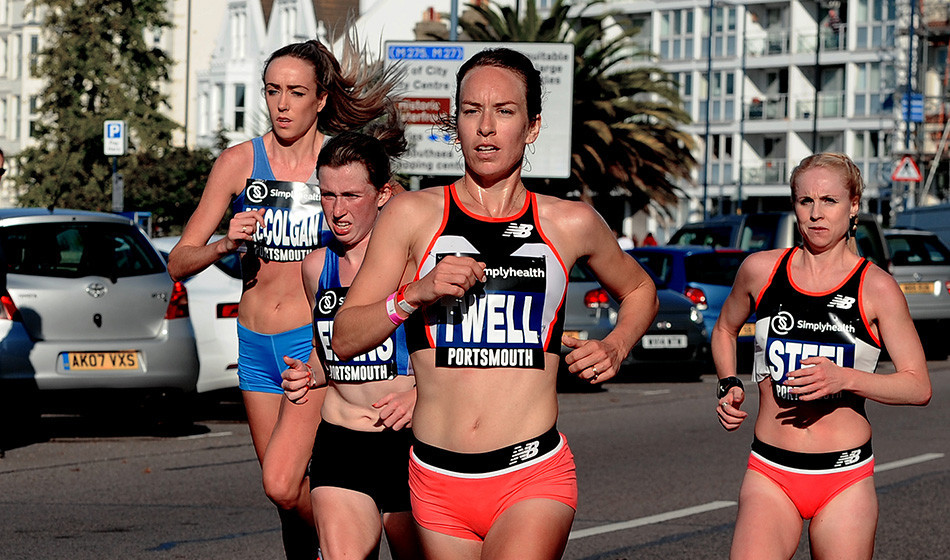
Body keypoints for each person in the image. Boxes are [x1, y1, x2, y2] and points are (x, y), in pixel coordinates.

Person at [329, 48, 659, 559]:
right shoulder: (411, 214)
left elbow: (639, 290)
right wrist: (414, 293)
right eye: (471, 111)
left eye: (504, 111)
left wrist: (616, 345)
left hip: (531, 474)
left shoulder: (569, 222)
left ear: (532, 126)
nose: (485, 127)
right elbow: (345, 337)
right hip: (437, 479)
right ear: (455, 123)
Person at [167, 38, 399, 560]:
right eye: (273, 91)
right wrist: (225, 243)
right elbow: (178, 261)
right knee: (286, 500)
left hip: (311, 343)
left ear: (321, 99)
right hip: (254, 344)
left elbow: (404, 219)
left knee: (284, 482)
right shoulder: (238, 162)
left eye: (296, 92)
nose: (282, 104)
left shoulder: (341, 162)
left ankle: (353, 536)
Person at [713, 153, 932, 560]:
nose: (816, 213)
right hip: (770, 472)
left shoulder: (877, 287)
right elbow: (725, 329)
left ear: (853, 205)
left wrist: (845, 378)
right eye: (805, 201)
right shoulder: (760, 270)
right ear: (794, 205)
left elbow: (918, 386)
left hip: (844, 478)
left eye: (829, 200)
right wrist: (728, 384)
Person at [267, 124, 423, 560]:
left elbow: (458, 359)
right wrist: (308, 374)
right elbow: (328, 353)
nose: (337, 211)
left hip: (409, 443)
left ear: (383, 194)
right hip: (342, 442)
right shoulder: (316, 267)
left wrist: (418, 395)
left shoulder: (415, 268)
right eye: (327, 195)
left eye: (351, 196)